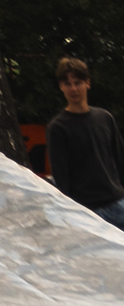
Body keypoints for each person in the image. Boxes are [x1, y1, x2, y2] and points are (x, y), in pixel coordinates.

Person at [45, 56, 124, 229]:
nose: (73, 88)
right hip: (88, 211)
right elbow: (61, 177)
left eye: (78, 83)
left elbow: (120, 159)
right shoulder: (58, 128)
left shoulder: (104, 118)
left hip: (118, 203)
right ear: (61, 87)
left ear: (87, 83)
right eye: (67, 84)